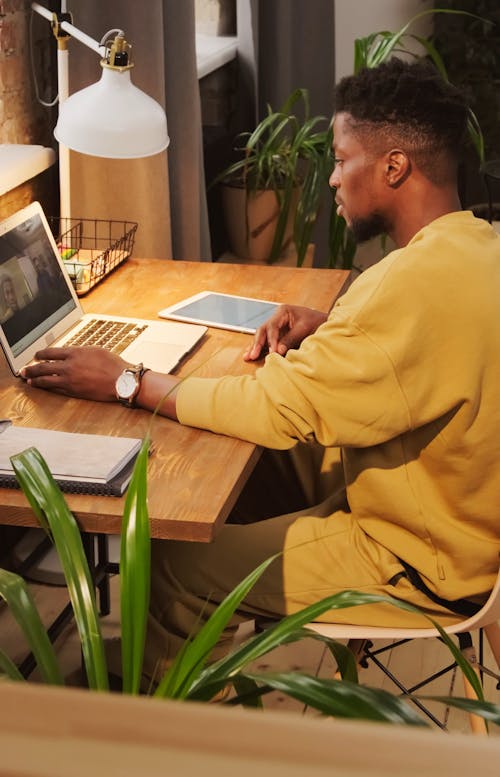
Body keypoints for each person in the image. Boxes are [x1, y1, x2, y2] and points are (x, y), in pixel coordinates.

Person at [21, 59, 500, 682]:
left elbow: (278, 412)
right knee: (233, 469)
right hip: (442, 510)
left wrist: (126, 381)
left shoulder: (406, 285)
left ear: (393, 167)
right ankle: (179, 659)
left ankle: (182, 725)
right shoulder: (475, 247)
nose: (331, 179)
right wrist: (331, 331)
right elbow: (430, 349)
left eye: (340, 158)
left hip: (421, 558)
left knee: (175, 564)